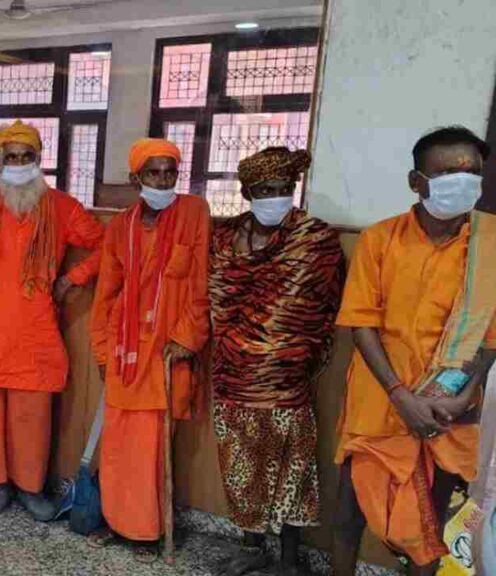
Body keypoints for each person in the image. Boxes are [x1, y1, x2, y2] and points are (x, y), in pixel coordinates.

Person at [332, 126, 496, 576]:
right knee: (349, 516)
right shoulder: (380, 239)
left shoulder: (490, 247)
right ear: (415, 181)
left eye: (471, 171)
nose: (462, 181)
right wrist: (399, 395)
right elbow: (361, 323)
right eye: (446, 172)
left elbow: (489, 339)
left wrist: (464, 396)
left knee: (428, 529)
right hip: (378, 402)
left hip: (447, 408)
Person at [0, 120, 105, 521]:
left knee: (33, 416)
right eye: (12, 157)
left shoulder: (61, 207)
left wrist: (72, 278)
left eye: (27, 156)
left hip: (37, 329)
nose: (19, 163)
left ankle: (30, 488)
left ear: (39, 160)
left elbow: (105, 245)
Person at [208, 147, 344, 575]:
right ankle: (251, 549)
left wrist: (283, 352)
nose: (276, 197)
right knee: (241, 469)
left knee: (292, 474)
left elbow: (323, 308)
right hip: (231, 378)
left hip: (285, 383)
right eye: (266, 189)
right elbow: (211, 299)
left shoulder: (314, 240)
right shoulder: (223, 239)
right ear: (247, 192)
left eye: (285, 188)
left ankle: (288, 560)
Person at [87, 138, 210, 562]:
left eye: (169, 172)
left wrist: (187, 339)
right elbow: (106, 294)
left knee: (152, 449)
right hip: (125, 351)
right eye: (153, 173)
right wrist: (103, 350)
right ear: (135, 178)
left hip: (168, 352)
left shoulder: (194, 212)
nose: (163, 180)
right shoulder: (120, 226)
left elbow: (201, 284)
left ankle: (147, 532)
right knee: (117, 445)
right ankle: (115, 522)